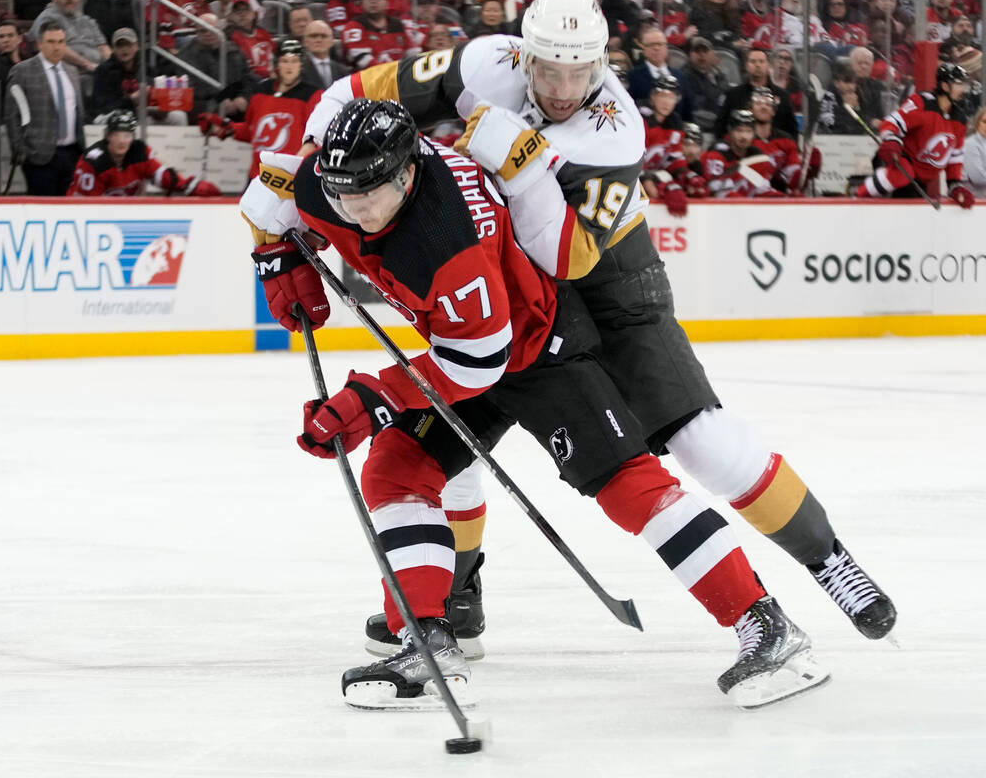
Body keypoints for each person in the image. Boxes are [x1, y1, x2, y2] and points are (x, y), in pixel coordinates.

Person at [297, 0, 896, 656]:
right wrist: (317, 178)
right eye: (547, 68)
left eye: (578, 71)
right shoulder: (484, 62)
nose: (561, 87)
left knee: (702, 441)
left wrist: (522, 165)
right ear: (524, 53)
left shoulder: (614, 129)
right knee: (455, 445)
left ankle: (828, 560)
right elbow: (344, 100)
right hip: (503, 279)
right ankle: (455, 602)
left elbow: (572, 255)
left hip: (607, 276)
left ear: (602, 62)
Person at [243, 97, 828, 708]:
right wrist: (277, 256)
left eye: (367, 198)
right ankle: (428, 641)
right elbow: (270, 193)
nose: (354, 214)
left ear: (406, 173)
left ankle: (768, 626)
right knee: (395, 470)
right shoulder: (335, 181)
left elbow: (477, 363)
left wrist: (374, 397)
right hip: (463, 347)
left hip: (537, 348)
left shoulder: (448, 238)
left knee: (630, 486)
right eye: (340, 198)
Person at [196, 39, 321, 179]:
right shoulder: (260, 92)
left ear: (301, 65)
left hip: (289, 178)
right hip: (257, 176)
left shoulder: (313, 96)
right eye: (284, 61)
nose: (289, 66)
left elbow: (316, 140)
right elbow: (254, 130)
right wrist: (225, 127)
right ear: (276, 64)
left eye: (294, 61)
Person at [855, 62, 974, 208]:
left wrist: (955, 185)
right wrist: (891, 140)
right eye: (959, 84)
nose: (964, 89)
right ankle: (858, 197)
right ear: (944, 86)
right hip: (895, 159)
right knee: (902, 174)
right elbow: (892, 122)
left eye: (964, 84)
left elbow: (955, 157)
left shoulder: (960, 119)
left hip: (920, 180)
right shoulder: (922, 103)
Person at [5, 21, 86, 196]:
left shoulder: (72, 72)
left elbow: (77, 111)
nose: (56, 47)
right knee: (42, 209)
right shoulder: (22, 71)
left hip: (72, 153)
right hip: (39, 157)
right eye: (51, 42)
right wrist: (21, 151)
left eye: (60, 41)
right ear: (40, 44)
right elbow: (12, 115)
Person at [68, 110, 220, 197]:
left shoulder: (139, 151)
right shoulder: (94, 162)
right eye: (116, 135)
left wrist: (189, 185)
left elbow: (163, 176)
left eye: (127, 135)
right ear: (107, 136)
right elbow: (85, 206)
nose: (122, 141)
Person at [31, 0, 109, 77]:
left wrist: (112, 65)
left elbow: (103, 46)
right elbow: (56, 48)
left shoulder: (86, 20)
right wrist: (87, 65)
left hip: (97, 71)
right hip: (67, 73)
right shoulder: (47, 18)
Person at [749, 86, 820, 193]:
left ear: (773, 111)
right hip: (749, 199)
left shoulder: (786, 140)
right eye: (758, 103)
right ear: (751, 109)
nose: (763, 107)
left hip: (779, 198)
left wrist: (807, 171)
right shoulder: (742, 140)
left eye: (768, 104)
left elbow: (793, 177)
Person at [714, 48, 797, 138]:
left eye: (761, 62)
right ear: (746, 66)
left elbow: (792, 129)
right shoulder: (733, 95)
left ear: (768, 65)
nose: (757, 65)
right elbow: (720, 126)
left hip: (775, 146)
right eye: (753, 61)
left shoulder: (782, 95)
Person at [641, 74, 691, 217]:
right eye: (662, 96)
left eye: (671, 97)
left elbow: (673, 160)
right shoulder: (640, 118)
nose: (667, 102)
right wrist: (654, 183)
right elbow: (631, 160)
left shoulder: (675, 122)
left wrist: (687, 177)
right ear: (652, 97)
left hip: (649, 175)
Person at [341, 0, 417, 70]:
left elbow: (412, 53)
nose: (373, 2)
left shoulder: (398, 24)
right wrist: (390, 73)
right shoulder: (354, 26)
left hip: (397, 76)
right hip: (366, 78)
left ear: (387, 3)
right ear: (362, 3)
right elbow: (362, 59)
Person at [628, 27, 693, 121]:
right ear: (644, 50)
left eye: (660, 44)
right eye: (651, 45)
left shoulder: (681, 76)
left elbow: (688, 108)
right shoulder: (633, 76)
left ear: (666, 48)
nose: (656, 48)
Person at [227, 0, 277, 81]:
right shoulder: (230, 37)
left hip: (272, 80)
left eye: (246, 9)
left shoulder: (264, 33)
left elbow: (275, 56)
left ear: (254, 13)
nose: (241, 14)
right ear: (232, 16)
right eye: (237, 10)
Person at [301, 21, 349, 89]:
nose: (319, 40)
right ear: (304, 41)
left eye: (324, 36)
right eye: (313, 36)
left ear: (332, 41)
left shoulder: (343, 71)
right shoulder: (297, 70)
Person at [963, 107, 986, 197]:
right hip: (973, 203)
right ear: (977, 123)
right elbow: (978, 177)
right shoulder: (971, 144)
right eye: (984, 122)